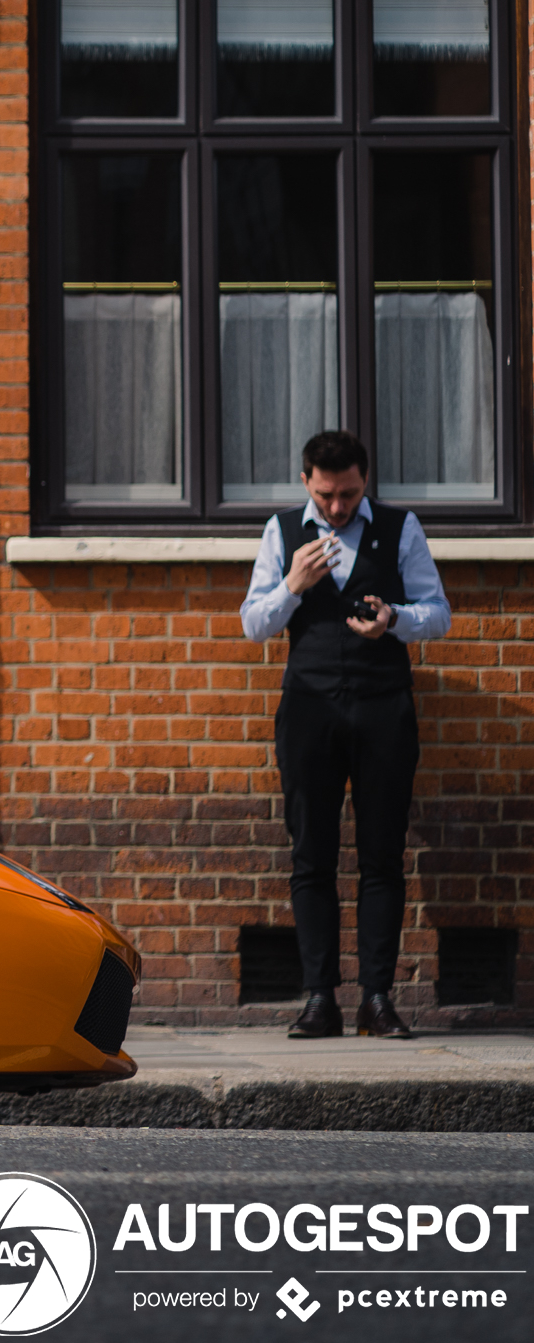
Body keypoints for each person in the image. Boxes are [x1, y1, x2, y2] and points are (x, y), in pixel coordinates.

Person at [239, 430, 450, 1039]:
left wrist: (395, 620)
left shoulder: (399, 527)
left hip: (384, 710)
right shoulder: (281, 533)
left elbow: (439, 612)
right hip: (309, 711)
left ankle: (377, 1000)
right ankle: (319, 999)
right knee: (312, 857)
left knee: (382, 855)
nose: (338, 508)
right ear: (307, 480)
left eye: (350, 494)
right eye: (328, 495)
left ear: (365, 480)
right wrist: (292, 587)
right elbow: (254, 623)